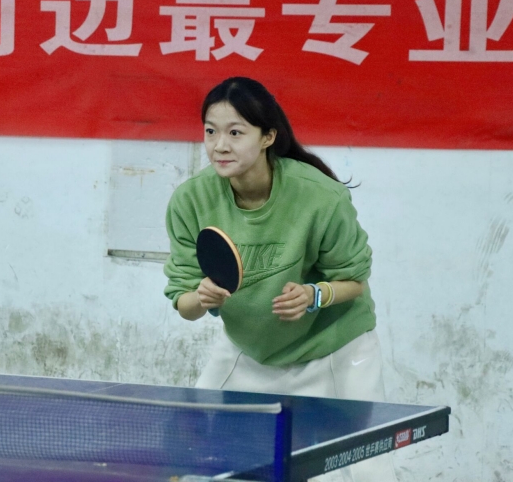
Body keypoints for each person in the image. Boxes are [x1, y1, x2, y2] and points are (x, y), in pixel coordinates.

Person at [163, 77, 397, 482]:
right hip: (251, 349)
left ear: (268, 136)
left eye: (236, 133)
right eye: (211, 131)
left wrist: (314, 295)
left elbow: (355, 279)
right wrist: (200, 298)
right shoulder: (191, 200)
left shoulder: (318, 196)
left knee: (366, 468)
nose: (220, 145)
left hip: (336, 349)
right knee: (199, 455)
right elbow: (183, 303)